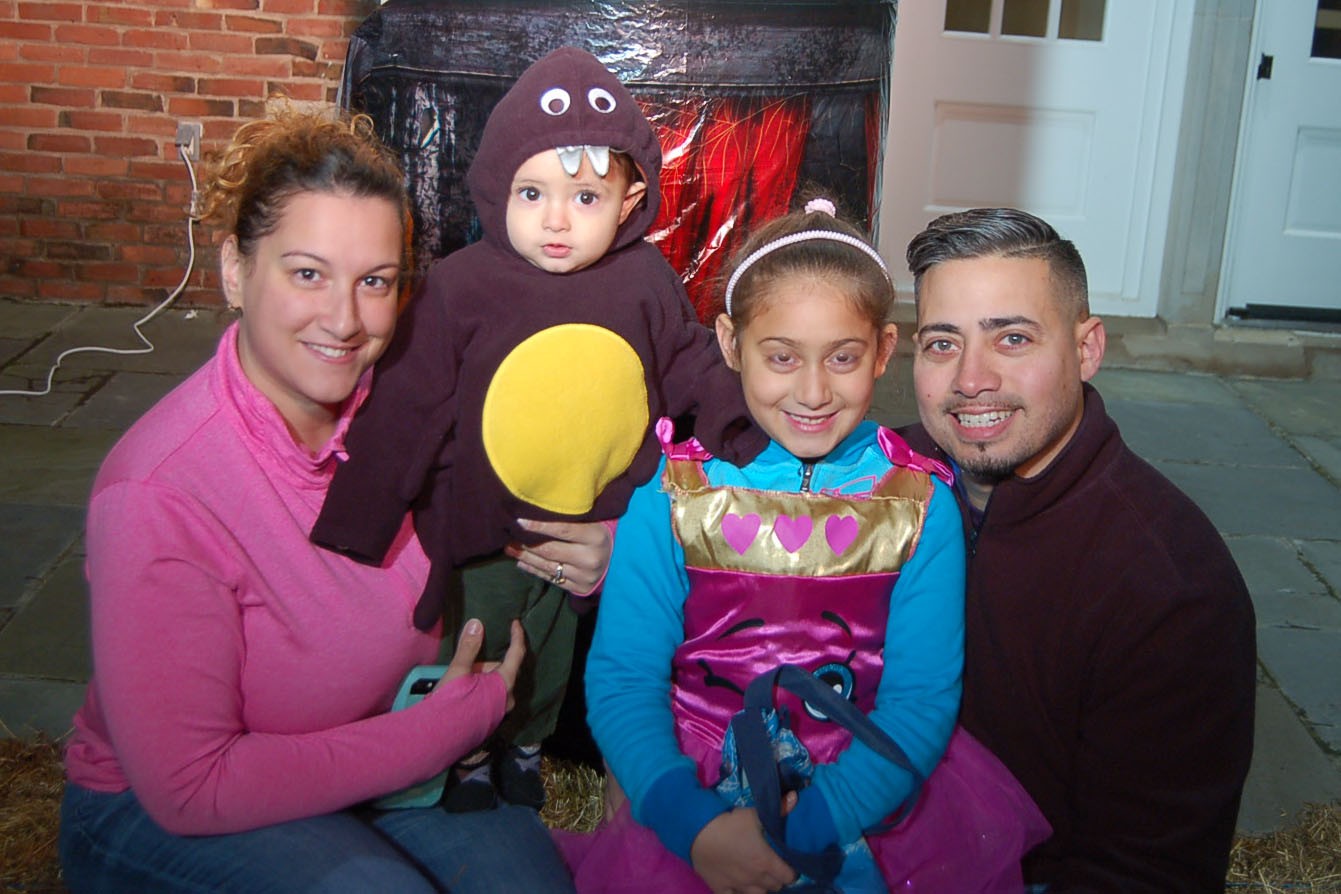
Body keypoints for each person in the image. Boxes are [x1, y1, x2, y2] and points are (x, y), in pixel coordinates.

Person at [57, 106, 599, 893]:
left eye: (373, 281)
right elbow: (192, 786)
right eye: (307, 274)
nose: (344, 321)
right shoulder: (157, 492)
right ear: (235, 271)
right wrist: (443, 730)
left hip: (378, 761)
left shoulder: (414, 412)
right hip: (166, 809)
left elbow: (545, 478)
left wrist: (608, 542)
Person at [311, 46, 765, 812]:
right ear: (497, 187)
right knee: (480, 640)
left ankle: (528, 745)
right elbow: (403, 408)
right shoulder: (459, 286)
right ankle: (469, 753)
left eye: (585, 197)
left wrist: (745, 429)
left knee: (554, 654)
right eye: (531, 193)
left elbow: (690, 362)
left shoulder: (644, 280)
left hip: (588, 521)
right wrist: (360, 518)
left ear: (628, 200)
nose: (555, 220)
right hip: (486, 529)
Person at [569, 201, 1050, 893]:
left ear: (882, 350)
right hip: (693, 800)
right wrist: (691, 824)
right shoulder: (674, 492)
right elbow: (624, 677)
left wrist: (813, 826)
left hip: (866, 800)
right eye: (781, 357)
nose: (814, 392)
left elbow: (921, 700)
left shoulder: (917, 504)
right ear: (730, 343)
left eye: (843, 358)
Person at [900, 207, 1257, 891]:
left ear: (1087, 348)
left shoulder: (1169, 587)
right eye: (942, 343)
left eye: (1011, 339)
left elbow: (1146, 872)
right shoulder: (875, 484)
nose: (970, 379)